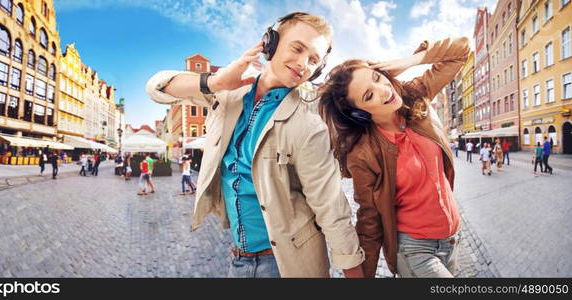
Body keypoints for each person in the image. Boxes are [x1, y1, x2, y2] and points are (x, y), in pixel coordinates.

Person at [146, 12, 364, 278]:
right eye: (297, 48)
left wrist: (354, 274)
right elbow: (156, 88)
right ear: (269, 43)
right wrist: (215, 81)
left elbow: (330, 205)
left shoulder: (309, 125)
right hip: (238, 258)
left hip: (286, 264)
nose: (303, 63)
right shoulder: (228, 92)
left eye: (313, 60)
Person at [318, 36, 469, 277]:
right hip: (414, 251)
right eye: (368, 96)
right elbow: (369, 220)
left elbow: (461, 51)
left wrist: (409, 61)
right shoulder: (363, 153)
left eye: (377, 78)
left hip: (452, 240)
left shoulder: (414, 98)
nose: (383, 90)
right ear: (359, 113)